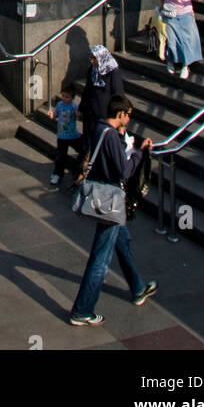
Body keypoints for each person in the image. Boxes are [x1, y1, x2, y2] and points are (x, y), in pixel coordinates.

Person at [69, 95, 156, 326]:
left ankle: (137, 287)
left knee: (122, 241)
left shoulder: (99, 128)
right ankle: (83, 310)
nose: (129, 120)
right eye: (128, 115)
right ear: (121, 114)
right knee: (100, 260)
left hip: (101, 197)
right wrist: (139, 152)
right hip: (110, 202)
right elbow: (124, 170)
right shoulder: (110, 136)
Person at [157, 0, 203, 79]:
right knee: (171, 39)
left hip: (186, 13)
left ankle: (185, 65)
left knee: (186, 41)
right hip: (170, 13)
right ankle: (170, 61)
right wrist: (163, 3)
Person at [78, 46, 125, 153]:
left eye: (94, 58)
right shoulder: (92, 70)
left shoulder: (113, 72)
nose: (92, 61)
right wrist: (81, 108)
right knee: (88, 143)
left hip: (104, 115)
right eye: (91, 58)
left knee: (101, 144)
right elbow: (87, 90)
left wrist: (118, 119)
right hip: (90, 113)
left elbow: (118, 95)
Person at [47, 87, 84, 185]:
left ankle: (78, 168)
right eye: (63, 96)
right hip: (62, 136)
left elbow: (78, 116)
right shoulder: (59, 105)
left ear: (72, 98)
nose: (64, 98)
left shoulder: (74, 106)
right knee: (61, 155)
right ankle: (57, 174)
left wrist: (78, 114)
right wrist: (52, 115)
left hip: (73, 135)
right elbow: (55, 115)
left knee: (82, 149)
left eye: (67, 97)